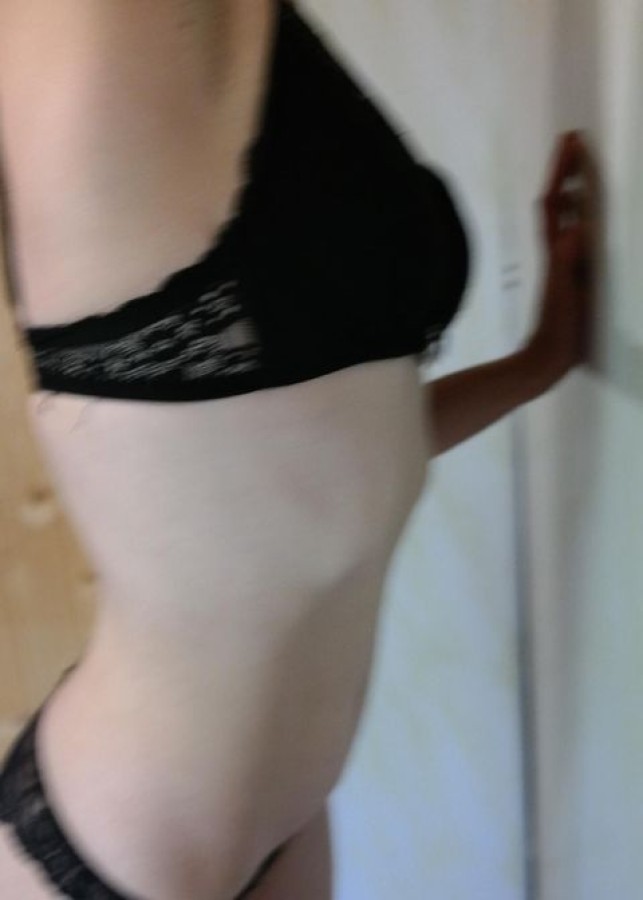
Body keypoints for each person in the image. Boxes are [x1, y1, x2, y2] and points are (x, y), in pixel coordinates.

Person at [0, 1, 599, 898]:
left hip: (264, 820)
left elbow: (323, 454)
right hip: (125, 855)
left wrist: (537, 362)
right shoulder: (90, 53)